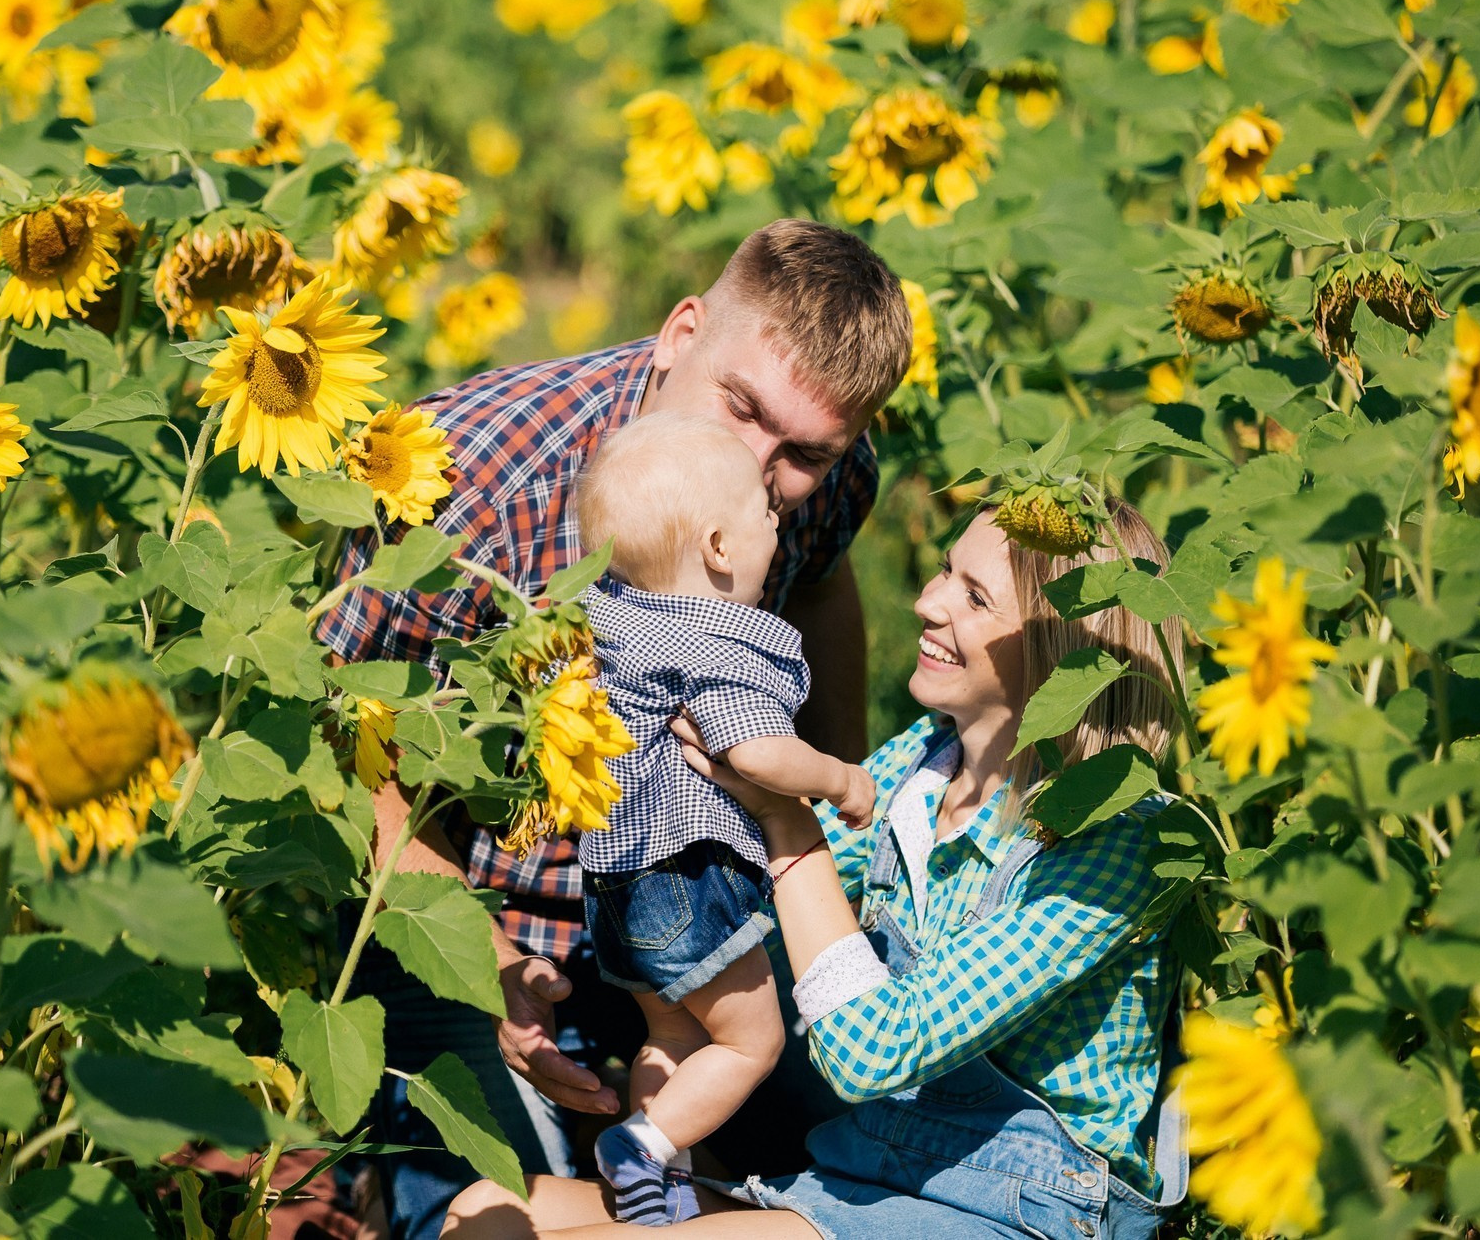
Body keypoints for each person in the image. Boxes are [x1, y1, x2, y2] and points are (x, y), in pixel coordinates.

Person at [317, 219, 914, 1240]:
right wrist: (482, 961)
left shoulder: (814, 480)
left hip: (702, 905)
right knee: (468, 1208)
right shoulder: (470, 480)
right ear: (680, 334)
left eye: (804, 454)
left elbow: (819, 584)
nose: (757, 465)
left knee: (881, 1148)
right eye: (740, 408)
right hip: (460, 906)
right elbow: (341, 745)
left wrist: (831, 822)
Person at [444, 500, 1191, 1239]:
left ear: (1063, 649)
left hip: (1016, 1209)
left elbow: (872, 1052)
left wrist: (786, 816)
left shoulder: (1119, 835)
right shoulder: (921, 765)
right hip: (870, 1173)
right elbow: (751, 902)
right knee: (485, 1212)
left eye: (974, 597)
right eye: (943, 571)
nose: (927, 602)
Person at [569, 414, 878, 1225]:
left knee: (673, 1037)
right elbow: (758, 754)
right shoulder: (720, 645)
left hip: (614, 883)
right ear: (717, 546)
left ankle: (661, 1182)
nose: (777, 519)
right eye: (763, 511)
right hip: (687, 880)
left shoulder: (613, 614)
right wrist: (840, 776)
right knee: (752, 1042)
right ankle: (641, 1145)